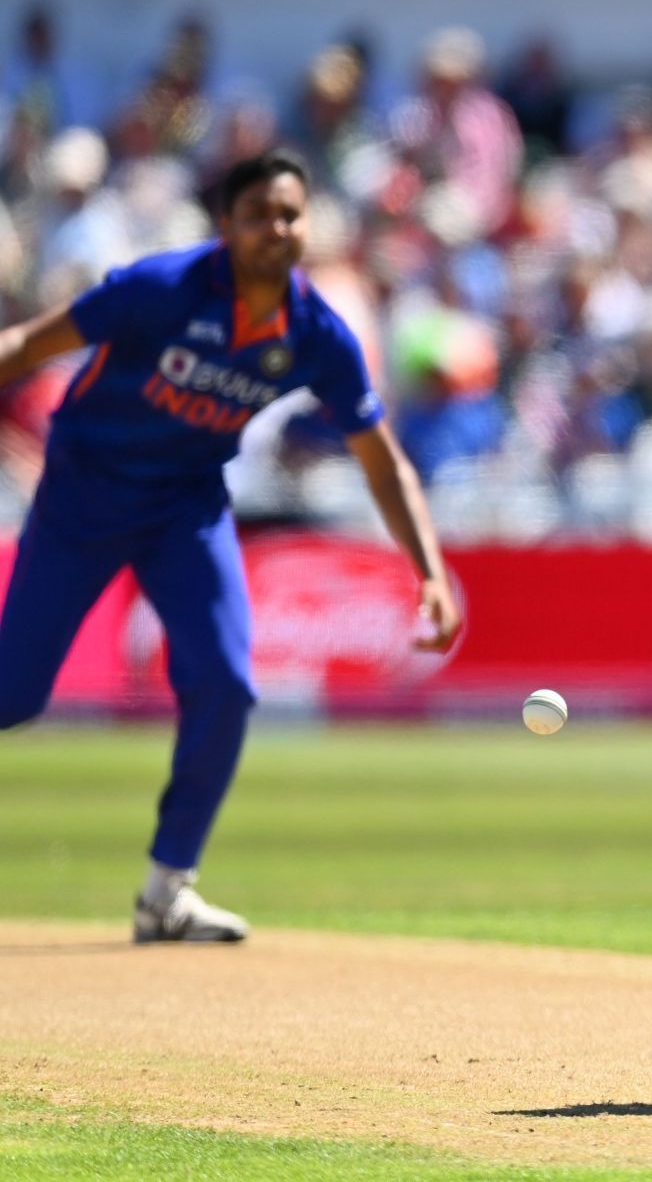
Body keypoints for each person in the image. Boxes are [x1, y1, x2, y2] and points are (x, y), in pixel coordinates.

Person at [0, 149, 461, 943]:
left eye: (290, 214)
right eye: (259, 215)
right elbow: (26, 347)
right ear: (227, 226)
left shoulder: (317, 333)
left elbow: (383, 462)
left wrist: (430, 570)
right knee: (14, 697)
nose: (276, 230)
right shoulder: (161, 287)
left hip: (186, 506)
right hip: (85, 493)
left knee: (225, 684)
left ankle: (167, 894)